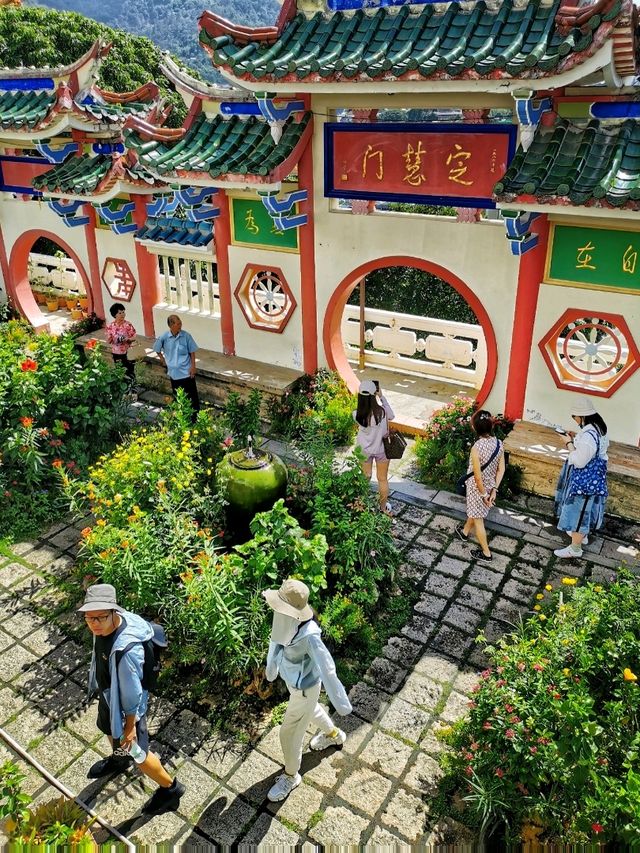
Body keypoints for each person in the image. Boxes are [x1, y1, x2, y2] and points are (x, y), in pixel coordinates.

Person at [78, 583, 185, 815]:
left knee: (139, 753)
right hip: (110, 696)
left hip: (128, 710)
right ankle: (119, 760)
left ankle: (170, 789)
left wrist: (129, 727)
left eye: (100, 617)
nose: (94, 623)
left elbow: (133, 694)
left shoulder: (126, 652)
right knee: (108, 728)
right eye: (89, 617)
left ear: (114, 612)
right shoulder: (109, 624)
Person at [263, 579, 352, 802]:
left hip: (305, 690)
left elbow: (327, 667)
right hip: (297, 689)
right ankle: (334, 735)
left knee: (289, 734)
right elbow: (276, 642)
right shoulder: (285, 619)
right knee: (311, 711)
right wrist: (271, 669)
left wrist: (341, 702)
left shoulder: (310, 635)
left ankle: (291, 776)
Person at [553, 397, 609, 559]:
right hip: (593, 480)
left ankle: (575, 549)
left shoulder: (588, 437)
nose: (574, 419)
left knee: (578, 513)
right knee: (584, 510)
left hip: (584, 483)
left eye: (574, 416)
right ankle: (581, 538)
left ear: (582, 416)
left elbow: (579, 461)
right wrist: (576, 438)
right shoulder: (598, 429)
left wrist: (568, 443)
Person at [456, 409, 505, 564]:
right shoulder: (498, 443)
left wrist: (484, 495)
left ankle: (486, 553)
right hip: (490, 486)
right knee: (475, 511)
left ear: (474, 428)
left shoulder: (476, 447)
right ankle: (464, 532)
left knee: (478, 519)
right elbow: (501, 469)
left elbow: (477, 477)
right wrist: (494, 490)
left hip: (478, 489)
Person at [354, 378, 395, 514]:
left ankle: (362, 506)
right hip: (382, 450)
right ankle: (383, 508)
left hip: (364, 450)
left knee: (365, 477)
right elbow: (392, 416)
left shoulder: (357, 414)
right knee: (382, 479)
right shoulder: (383, 413)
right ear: (374, 394)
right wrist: (381, 396)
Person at [153, 315, 200, 415]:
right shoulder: (164, 337)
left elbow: (192, 352)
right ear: (171, 325)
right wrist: (162, 359)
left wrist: (193, 367)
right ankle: (182, 417)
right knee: (179, 397)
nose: (180, 325)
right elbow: (157, 348)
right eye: (178, 324)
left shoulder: (186, 336)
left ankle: (195, 418)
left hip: (186, 372)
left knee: (192, 397)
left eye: (180, 323)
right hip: (174, 374)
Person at [105, 303, 136, 386]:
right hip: (116, 353)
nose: (122, 314)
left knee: (130, 372)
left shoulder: (128, 325)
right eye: (120, 313)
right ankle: (123, 391)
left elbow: (134, 337)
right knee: (120, 372)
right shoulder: (111, 326)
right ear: (115, 315)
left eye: (123, 312)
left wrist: (127, 339)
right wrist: (115, 339)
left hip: (128, 352)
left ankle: (132, 391)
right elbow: (109, 340)